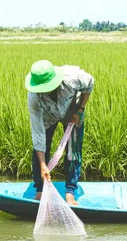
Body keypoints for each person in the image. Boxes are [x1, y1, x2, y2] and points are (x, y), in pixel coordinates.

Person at [24, 59, 95, 206]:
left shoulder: (72, 78)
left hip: (72, 111)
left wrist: (80, 109)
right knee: (41, 150)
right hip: (48, 116)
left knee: (73, 150)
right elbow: (38, 134)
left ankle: (70, 193)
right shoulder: (34, 97)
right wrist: (43, 165)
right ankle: (40, 191)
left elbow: (90, 84)